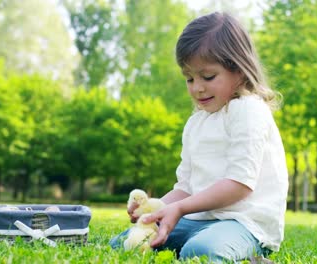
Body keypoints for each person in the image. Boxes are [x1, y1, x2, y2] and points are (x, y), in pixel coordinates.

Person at [110, 12, 288, 263]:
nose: (197, 88)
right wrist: (155, 208)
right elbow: (185, 187)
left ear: (239, 70)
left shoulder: (248, 110)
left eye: (208, 77)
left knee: (200, 252)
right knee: (126, 243)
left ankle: (255, 256)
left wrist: (180, 209)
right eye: (189, 79)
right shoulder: (196, 122)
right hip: (199, 220)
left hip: (245, 224)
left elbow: (239, 183)